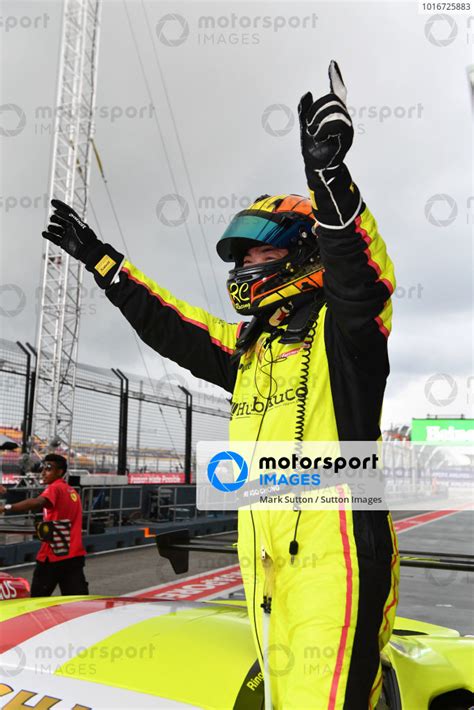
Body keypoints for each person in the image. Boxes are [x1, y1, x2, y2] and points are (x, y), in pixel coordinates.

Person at [41, 62, 399, 708]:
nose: (243, 265)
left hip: (335, 555)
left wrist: (330, 183)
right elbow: (172, 326)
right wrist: (103, 263)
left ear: (301, 253)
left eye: (256, 253)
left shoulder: (345, 333)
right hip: (262, 558)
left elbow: (365, 281)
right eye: (239, 256)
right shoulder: (250, 347)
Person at [0, 454, 88, 597]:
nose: (43, 472)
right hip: (73, 556)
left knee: (37, 601)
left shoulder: (55, 488)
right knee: (78, 601)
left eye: (48, 469)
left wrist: (6, 508)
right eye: (43, 468)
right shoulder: (72, 492)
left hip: (52, 556)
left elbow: (37, 502)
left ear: (60, 472)